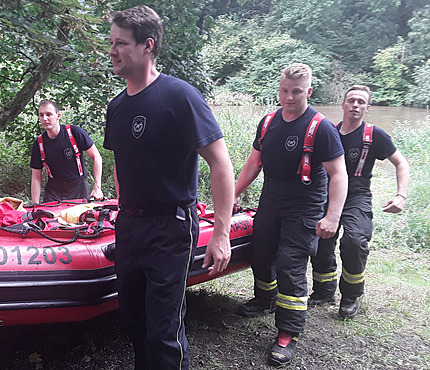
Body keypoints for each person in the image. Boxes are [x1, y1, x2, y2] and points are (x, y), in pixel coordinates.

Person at [104, 6, 235, 369]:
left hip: (171, 226)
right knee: (133, 322)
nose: (112, 50)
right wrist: (122, 208)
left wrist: (221, 233)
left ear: (148, 46)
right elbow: (121, 163)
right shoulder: (116, 107)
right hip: (129, 225)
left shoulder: (180, 96)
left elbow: (221, 162)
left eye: (121, 43)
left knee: (164, 331)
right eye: (111, 42)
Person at [233, 63, 348, 367]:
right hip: (271, 199)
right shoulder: (268, 121)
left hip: (306, 205)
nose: (289, 97)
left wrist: (332, 217)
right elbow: (253, 163)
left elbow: (339, 175)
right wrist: (233, 192)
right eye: (285, 90)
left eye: (296, 92)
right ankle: (264, 299)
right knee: (261, 254)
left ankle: (288, 332)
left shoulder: (321, 127)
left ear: (309, 91)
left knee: (290, 265)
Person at [308, 85, 410, 319]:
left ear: (367, 107)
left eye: (361, 102)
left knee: (354, 242)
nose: (355, 105)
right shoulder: (328, 132)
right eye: (351, 100)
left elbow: (401, 163)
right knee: (321, 240)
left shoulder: (375, 135)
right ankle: (323, 291)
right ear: (343, 104)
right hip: (327, 193)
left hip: (357, 195)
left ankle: (351, 296)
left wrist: (400, 195)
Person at [30, 100, 103, 204]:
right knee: (48, 219)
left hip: (78, 187)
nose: (45, 119)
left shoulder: (74, 132)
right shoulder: (39, 143)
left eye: (49, 114)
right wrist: (35, 205)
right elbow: (36, 177)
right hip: (54, 190)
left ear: (58, 116)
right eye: (41, 115)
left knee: (81, 219)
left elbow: (96, 157)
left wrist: (97, 187)